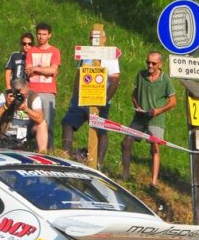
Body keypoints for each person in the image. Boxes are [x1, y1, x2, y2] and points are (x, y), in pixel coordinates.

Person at [61, 27, 121, 166]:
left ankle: (98, 163)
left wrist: (105, 100)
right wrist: (75, 94)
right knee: (67, 123)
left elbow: (115, 80)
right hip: (81, 98)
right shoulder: (86, 54)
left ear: (104, 39)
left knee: (100, 131)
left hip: (100, 99)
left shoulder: (110, 56)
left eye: (97, 39)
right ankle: (65, 155)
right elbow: (79, 74)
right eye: (91, 38)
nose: (93, 41)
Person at [121, 51, 176, 186]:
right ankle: (125, 174)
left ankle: (153, 182)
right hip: (140, 117)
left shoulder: (165, 80)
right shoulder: (141, 75)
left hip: (155, 119)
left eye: (153, 63)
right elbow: (133, 94)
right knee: (126, 142)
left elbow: (173, 102)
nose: (150, 65)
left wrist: (158, 111)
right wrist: (137, 106)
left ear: (160, 64)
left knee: (154, 148)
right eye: (148, 62)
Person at [25, 22, 60, 148]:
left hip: (48, 92)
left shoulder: (54, 51)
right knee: (31, 122)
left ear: (49, 35)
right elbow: (27, 69)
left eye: (44, 34)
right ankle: (30, 147)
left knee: (47, 124)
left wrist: (35, 69)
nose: (41, 37)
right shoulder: (31, 51)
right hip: (32, 91)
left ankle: (48, 151)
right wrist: (44, 69)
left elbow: (53, 70)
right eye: (39, 34)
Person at [0, 78, 48, 152]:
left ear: (27, 88)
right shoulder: (5, 96)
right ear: (13, 90)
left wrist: (26, 109)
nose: (21, 96)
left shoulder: (33, 97)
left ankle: (42, 152)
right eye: (18, 94)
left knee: (42, 124)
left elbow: (40, 119)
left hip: (27, 131)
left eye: (23, 94)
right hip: (7, 132)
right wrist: (5, 106)